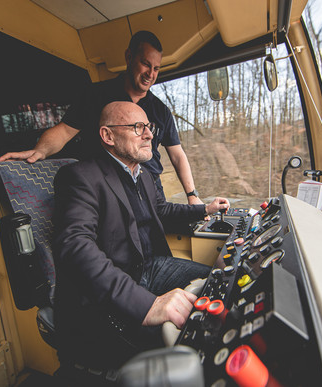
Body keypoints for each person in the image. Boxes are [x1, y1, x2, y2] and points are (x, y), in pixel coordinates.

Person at [52, 101, 229, 385]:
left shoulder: (144, 174)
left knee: (220, 284)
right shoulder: (80, 177)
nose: (149, 134)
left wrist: (204, 209)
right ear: (108, 136)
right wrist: (147, 305)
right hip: (120, 284)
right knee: (182, 343)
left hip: (153, 266)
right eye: (138, 127)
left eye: (149, 127)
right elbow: (74, 244)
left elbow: (161, 210)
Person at [0, 30, 203, 205]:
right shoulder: (96, 95)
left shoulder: (161, 110)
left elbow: (177, 155)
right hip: (106, 190)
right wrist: (38, 151)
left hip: (150, 191)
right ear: (129, 57)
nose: (151, 73)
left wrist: (192, 196)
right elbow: (64, 131)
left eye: (156, 68)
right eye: (145, 64)